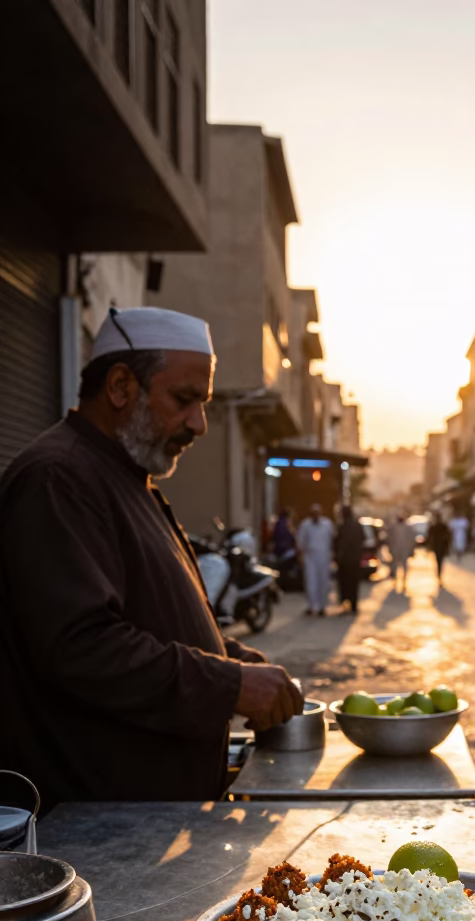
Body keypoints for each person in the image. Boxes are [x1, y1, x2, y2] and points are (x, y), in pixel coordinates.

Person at [0, 306, 303, 810]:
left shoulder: (124, 476)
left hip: (141, 819)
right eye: (185, 400)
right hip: (92, 827)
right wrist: (227, 684)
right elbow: (83, 648)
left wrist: (227, 658)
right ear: (120, 386)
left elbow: (147, 620)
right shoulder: (58, 478)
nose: (199, 424)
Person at [296, 503, 334, 616]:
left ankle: (322, 606)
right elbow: (300, 542)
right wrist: (301, 556)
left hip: (324, 557)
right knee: (311, 582)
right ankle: (311, 605)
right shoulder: (305, 525)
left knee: (323, 582)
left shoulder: (327, 524)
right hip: (310, 557)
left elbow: (331, 540)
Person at [335, 505, 365, 613]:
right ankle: (352, 604)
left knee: (346, 583)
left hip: (346, 561)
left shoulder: (343, 527)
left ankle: (348, 603)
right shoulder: (357, 525)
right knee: (353, 583)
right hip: (354, 559)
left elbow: (340, 544)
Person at [387, 514, 415, 591]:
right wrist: (390, 549)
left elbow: (411, 539)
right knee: (395, 567)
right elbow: (390, 539)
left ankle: (404, 583)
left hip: (404, 550)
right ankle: (395, 582)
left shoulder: (408, 527)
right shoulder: (393, 527)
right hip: (395, 549)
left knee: (404, 567)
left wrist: (411, 550)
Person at [427, 513, 451, 587]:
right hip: (438, 547)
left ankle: (439, 576)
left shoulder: (438, 527)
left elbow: (447, 537)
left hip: (439, 547)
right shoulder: (437, 527)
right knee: (439, 562)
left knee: (439, 562)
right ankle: (439, 576)